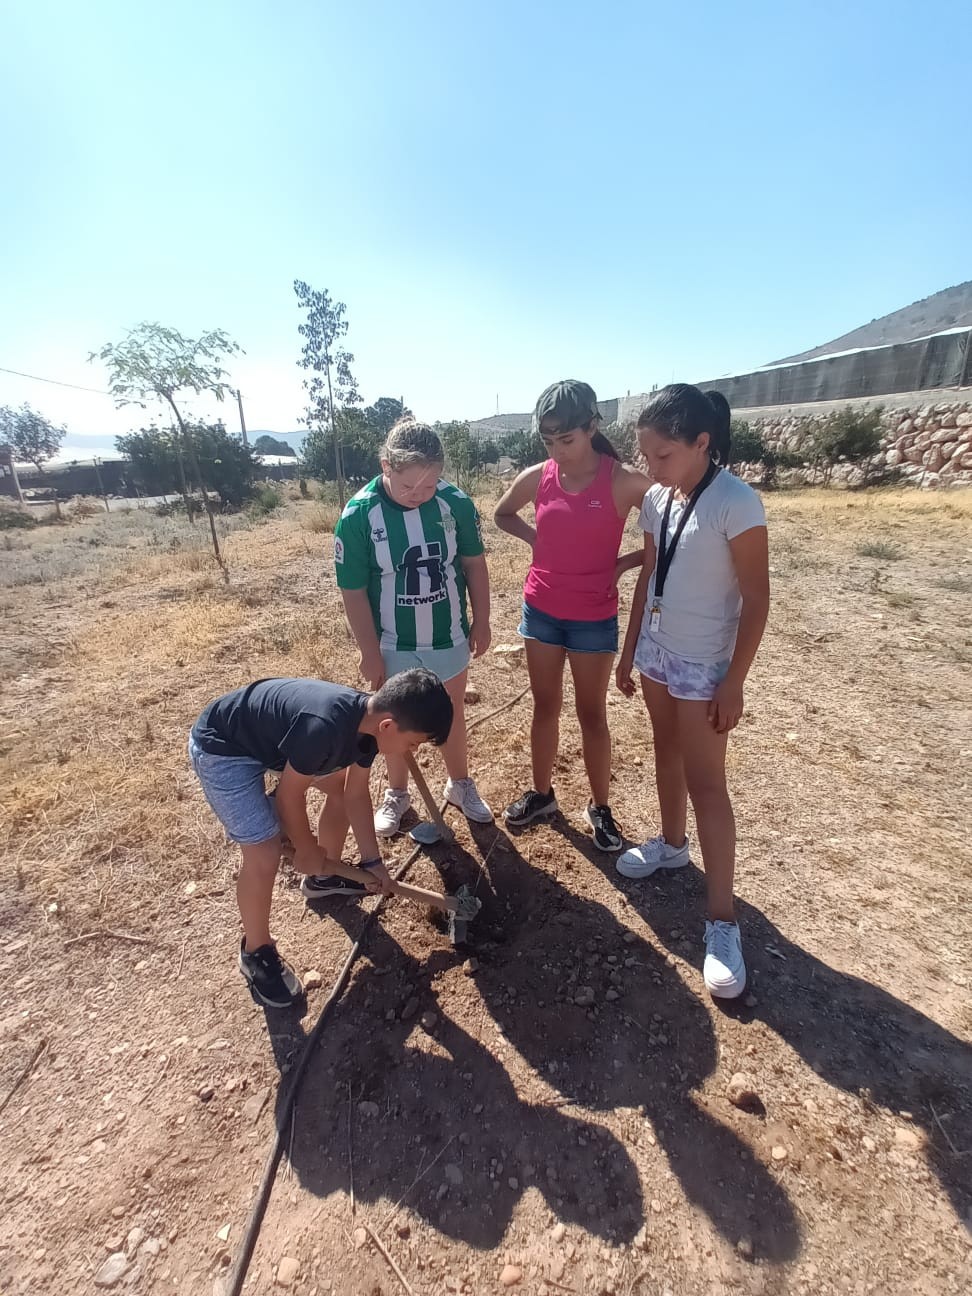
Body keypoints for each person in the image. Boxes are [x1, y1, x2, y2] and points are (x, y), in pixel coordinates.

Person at [615, 384, 769, 1000]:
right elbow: (651, 573)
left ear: (702, 443)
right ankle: (672, 845)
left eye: (663, 455)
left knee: (709, 782)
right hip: (657, 652)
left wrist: (734, 681)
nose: (651, 469)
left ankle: (722, 922)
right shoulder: (658, 498)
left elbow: (756, 600)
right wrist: (630, 652)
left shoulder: (738, 503)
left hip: (706, 662)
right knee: (665, 751)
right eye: (647, 456)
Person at [188, 670, 453, 1008]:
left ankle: (323, 880)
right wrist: (306, 847)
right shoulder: (323, 728)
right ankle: (256, 952)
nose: (411, 750)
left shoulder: (368, 728)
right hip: (222, 749)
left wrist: (373, 861)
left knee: (340, 788)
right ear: (388, 726)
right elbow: (290, 797)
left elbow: (354, 794)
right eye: (413, 743)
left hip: (270, 742)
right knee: (265, 853)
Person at [493, 380, 651, 850]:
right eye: (549, 442)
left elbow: (671, 530)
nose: (557, 451)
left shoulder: (622, 481)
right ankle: (542, 795)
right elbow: (503, 514)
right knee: (545, 707)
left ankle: (600, 808)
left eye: (567, 440)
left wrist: (624, 564)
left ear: (591, 427)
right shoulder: (538, 476)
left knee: (591, 714)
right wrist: (535, 540)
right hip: (541, 610)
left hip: (593, 617)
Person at [334, 419, 493, 836]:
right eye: (408, 488)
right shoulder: (358, 516)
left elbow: (474, 564)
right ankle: (398, 793)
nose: (419, 496)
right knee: (393, 721)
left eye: (428, 486)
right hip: (392, 642)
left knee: (452, 711)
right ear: (386, 465)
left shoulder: (454, 503)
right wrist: (369, 651)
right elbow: (352, 591)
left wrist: (483, 619)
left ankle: (460, 785)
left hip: (448, 634)